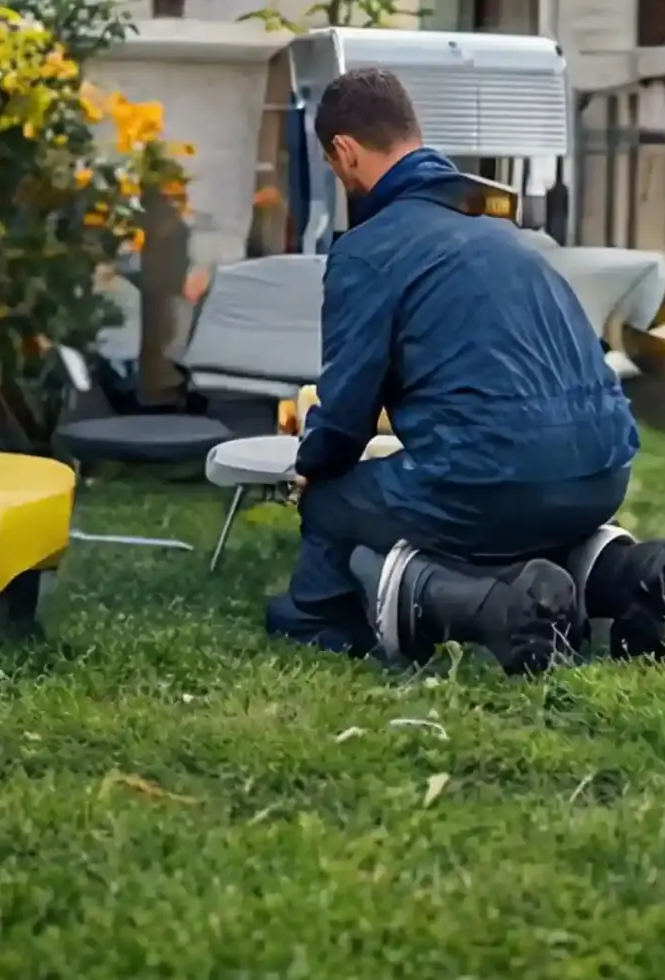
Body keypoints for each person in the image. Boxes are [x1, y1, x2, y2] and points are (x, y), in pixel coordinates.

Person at [266, 67, 639, 671]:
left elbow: (346, 416)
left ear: (343, 151)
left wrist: (311, 468)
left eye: (337, 169)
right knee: (522, 505)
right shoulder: (505, 233)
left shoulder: (369, 249)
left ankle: (444, 611)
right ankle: (632, 573)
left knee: (336, 501)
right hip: (603, 477)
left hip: (491, 488)